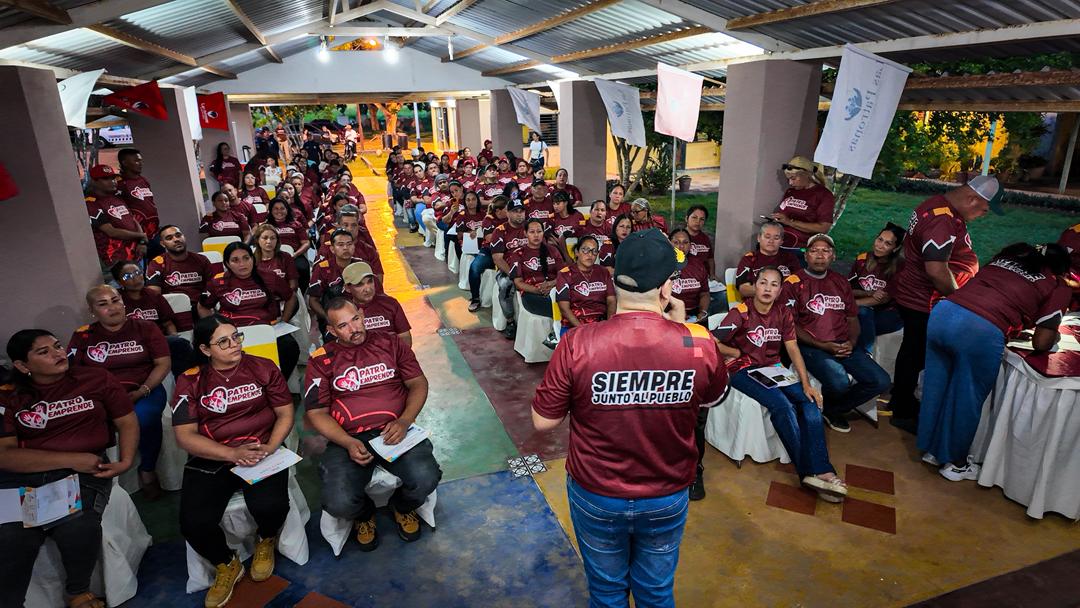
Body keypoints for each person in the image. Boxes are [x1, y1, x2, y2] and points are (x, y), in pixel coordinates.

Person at [532, 229, 728, 607]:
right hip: (666, 492)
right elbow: (713, 398)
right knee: (656, 591)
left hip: (597, 491)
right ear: (666, 288)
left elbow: (543, 421)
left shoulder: (577, 343)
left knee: (607, 591)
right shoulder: (699, 342)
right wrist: (683, 328)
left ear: (614, 281)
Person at [0, 330, 138, 608]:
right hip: (24, 477)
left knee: (76, 525)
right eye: (44, 352)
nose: (58, 354)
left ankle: (78, 592)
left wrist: (125, 461)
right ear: (22, 366)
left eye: (57, 346)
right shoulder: (9, 395)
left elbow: (126, 420)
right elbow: (5, 456)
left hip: (82, 474)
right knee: (12, 537)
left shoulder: (95, 378)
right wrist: (70, 459)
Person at [919, 243, 1071, 481]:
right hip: (979, 330)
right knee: (967, 397)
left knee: (936, 386)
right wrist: (1053, 336)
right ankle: (956, 464)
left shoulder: (1006, 260)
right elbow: (1042, 342)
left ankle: (931, 449)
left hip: (944, 313)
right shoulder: (1057, 285)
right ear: (1061, 269)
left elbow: (993, 295)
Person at [173, 316, 295, 608]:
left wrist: (270, 447)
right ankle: (226, 562)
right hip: (213, 455)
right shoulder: (190, 380)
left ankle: (266, 539)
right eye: (223, 341)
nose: (234, 345)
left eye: (236, 337)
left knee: (271, 505)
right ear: (205, 349)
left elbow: (285, 413)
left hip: (260, 448)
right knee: (193, 522)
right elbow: (185, 435)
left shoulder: (263, 367)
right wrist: (231, 454)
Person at [304, 299, 442, 551]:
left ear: (362, 314)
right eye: (343, 326)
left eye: (355, 319)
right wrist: (347, 442)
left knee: (426, 477)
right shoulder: (321, 360)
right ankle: (364, 514)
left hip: (396, 429)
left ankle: (402, 507)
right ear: (331, 330)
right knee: (338, 502)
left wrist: (405, 420)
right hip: (348, 437)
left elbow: (418, 383)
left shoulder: (391, 343)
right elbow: (316, 413)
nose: (354, 328)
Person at [713, 267, 848, 502]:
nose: (767, 288)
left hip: (773, 369)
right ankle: (809, 472)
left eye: (774, 284)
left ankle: (822, 469)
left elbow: (792, 348)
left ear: (779, 290)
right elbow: (711, 340)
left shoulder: (783, 313)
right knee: (782, 406)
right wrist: (733, 352)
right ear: (755, 286)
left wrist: (806, 384)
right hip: (743, 370)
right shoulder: (740, 312)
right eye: (763, 283)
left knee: (809, 401)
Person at [887, 176, 1002, 434]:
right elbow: (937, 271)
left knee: (913, 351)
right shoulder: (942, 219)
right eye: (984, 209)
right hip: (924, 299)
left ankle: (901, 400)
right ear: (972, 199)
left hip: (919, 294)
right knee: (915, 353)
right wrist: (960, 300)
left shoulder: (940, 204)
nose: (983, 215)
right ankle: (902, 409)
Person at [68, 285, 170, 497]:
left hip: (143, 390)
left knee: (145, 418)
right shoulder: (83, 336)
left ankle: (147, 469)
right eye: (103, 304)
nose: (112, 307)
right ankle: (101, 477)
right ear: (92, 311)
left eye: (115, 300)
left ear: (123, 302)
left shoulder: (146, 328)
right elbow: (73, 372)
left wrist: (142, 391)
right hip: (101, 396)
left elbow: (163, 364)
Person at [784, 234, 891, 433]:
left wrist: (852, 341)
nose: (820, 255)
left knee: (880, 381)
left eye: (826, 251)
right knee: (839, 381)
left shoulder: (840, 282)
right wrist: (822, 345)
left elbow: (852, 318)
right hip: (811, 346)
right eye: (814, 251)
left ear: (833, 256)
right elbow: (789, 325)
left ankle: (833, 408)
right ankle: (830, 406)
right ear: (806, 256)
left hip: (843, 344)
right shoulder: (793, 282)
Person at [201, 242, 300, 381]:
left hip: (266, 328)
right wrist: (214, 328)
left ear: (253, 259)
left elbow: (291, 297)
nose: (242, 264)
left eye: (246, 258)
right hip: (233, 332)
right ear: (227, 264)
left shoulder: (269, 277)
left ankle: (276, 383)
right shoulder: (218, 282)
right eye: (235, 260)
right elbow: (203, 306)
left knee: (289, 346)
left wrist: (284, 320)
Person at [112, 260, 195, 376]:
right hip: (132, 344)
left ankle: (186, 380)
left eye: (137, 273)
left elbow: (168, 323)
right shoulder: (116, 301)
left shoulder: (153, 295)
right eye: (128, 276)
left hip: (157, 340)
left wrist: (173, 336)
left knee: (180, 344)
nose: (136, 278)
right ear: (119, 282)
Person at [145, 225, 213, 333]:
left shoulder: (201, 260)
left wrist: (204, 305)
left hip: (200, 307)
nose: (176, 239)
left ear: (184, 237)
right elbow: (153, 294)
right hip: (173, 311)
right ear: (163, 244)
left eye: (178, 235)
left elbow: (213, 287)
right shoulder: (157, 263)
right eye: (169, 238)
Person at [849, 224, 906, 354]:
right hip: (864, 307)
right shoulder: (862, 259)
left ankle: (865, 354)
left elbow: (883, 299)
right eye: (880, 239)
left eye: (888, 243)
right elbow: (848, 290)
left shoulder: (900, 267)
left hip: (890, 313)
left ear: (896, 248)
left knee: (862, 314)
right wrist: (868, 292)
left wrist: (852, 304)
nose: (880, 245)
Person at [769, 156, 835, 265]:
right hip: (780, 244)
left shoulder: (823, 195)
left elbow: (823, 227)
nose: (790, 183)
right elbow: (784, 214)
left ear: (806, 175)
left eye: (793, 178)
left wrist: (790, 222)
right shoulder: (791, 191)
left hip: (800, 249)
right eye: (788, 179)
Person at [308, 229, 372, 333]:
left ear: (354, 246)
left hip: (362, 315)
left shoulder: (362, 266)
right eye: (340, 245)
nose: (345, 248)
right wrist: (328, 318)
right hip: (334, 318)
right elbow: (313, 300)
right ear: (332, 249)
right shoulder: (322, 268)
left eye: (349, 244)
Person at [85, 164, 146, 272]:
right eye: (106, 179)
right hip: (115, 260)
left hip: (136, 255)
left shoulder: (117, 198)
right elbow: (111, 232)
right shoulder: (91, 203)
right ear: (94, 181)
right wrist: (141, 236)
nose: (112, 181)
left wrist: (142, 242)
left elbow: (133, 220)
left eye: (113, 178)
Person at [508, 218, 567, 328]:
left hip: (555, 289)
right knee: (560, 307)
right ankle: (558, 332)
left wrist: (551, 285)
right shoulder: (518, 254)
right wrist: (539, 290)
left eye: (539, 231)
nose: (536, 235)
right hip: (531, 293)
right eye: (532, 232)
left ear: (543, 233)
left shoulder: (553, 250)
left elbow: (563, 274)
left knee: (569, 302)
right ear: (525, 233)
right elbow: (518, 283)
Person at [343, 262, 412, 346]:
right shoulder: (344, 312)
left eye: (370, 282)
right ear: (347, 288)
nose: (368, 289)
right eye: (359, 285)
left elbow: (405, 337)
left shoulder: (390, 303)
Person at [555, 235, 615, 332]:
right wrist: (583, 330)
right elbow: (564, 309)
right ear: (577, 252)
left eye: (594, 251)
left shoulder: (603, 272)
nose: (590, 254)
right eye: (586, 250)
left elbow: (611, 301)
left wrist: (609, 325)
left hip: (600, 325)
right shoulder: (565, 274)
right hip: (574, 326)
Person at [491, 199, 530, 337]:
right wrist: (514, 274)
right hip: (508, 269)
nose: (519, 214)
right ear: (507, 213)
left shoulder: (531, 228)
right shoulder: (500, 231)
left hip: (532, 267)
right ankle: (510, 321)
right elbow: (498, 259)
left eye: (521, 211)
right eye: (515, 211)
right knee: (505, 286)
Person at [735, 221, 802, 299]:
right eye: (767, 237)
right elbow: (743, 289)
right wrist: (770, 292)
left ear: (781, 241)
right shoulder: (749, 258)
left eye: (776, 238)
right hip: (756, 303)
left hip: (785, 303)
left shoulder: (790, 258)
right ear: (759, 238)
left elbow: (799, 285)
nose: (771, 241)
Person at [467, 196, 510, 312]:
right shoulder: (488, 220)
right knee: (474, 268)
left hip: (508, 251)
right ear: (498, 211)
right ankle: (475, 298)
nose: (510, 211)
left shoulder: (511, 218)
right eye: (507, 209)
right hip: (489, 251)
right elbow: (490, 238)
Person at [117, 148, 160, 254]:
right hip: (137, 237)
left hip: (154, 231)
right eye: (136, 161)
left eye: (140, 160)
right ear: (124, 163)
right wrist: (140, 239)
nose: (140, 163)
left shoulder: (143, 180)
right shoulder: (120, 184)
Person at [265, 198, 311, 290]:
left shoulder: (296, 224)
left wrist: (295, 254)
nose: (279, 211)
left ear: (287, 210)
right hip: (272, 256)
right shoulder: (266, 226)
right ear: (271, 211)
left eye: (282, 208)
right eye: (276, 208)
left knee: (302, 268)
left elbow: (306, 243)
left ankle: (301, 293)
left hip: (294, 255)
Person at [669, 229, 710, 323]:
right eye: (676, 242)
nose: (681, 247)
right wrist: (677, 312)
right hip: (669, 314)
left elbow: (705, 293)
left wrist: (702, 312)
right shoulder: (662, 264)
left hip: (694, 315)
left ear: (690, 245)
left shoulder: (698, 264)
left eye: (685, 242)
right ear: (669, 244)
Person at [253, 224, 299, 293]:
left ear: (277, 240)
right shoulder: (252, 260)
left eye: (272, 238)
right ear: (257, 240)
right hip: (262, 297)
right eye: (265, 238)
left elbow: (293, 285)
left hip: (284, 296)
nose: (269, 241)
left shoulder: (286, 257)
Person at [684, 205, 717, 282]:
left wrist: (712, 275)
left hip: (704, 279)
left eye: (702, 219)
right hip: (685, 280)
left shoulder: (705, 238)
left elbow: (710, 259)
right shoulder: (678, 238)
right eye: (694, 217)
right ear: (686, 218)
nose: (698, 221)